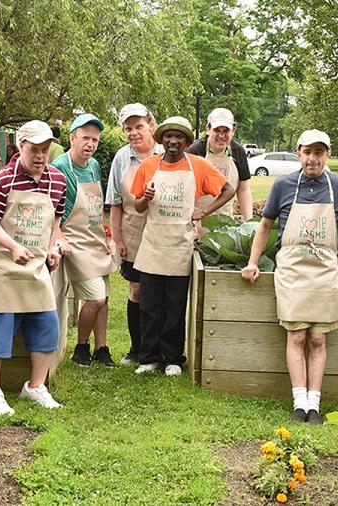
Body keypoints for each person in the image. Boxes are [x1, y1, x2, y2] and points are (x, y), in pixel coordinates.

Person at [241, 130, 338, 423]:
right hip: (292, 270)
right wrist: (253, 262)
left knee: (317, 338)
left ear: (327, 155)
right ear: (298, 153)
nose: (313, 159)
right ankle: (299, 402)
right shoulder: (283, 185)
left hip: (324, 272)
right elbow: (265, 226)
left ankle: (315, 404)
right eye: (307, 152)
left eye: (319, 153)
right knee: (297, 334)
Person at [0, 120, 67, 415]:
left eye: (45, 150)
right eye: (34, 150)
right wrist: (12, 245)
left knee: (47, 325)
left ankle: (35, 386)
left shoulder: (57, 181)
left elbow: (56, 223)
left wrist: (53, 246)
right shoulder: (1, 181)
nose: (40, 156)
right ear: (20, 147)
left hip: (36, 267)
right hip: (1, 266)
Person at [130, 116, 235, 375]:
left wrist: (204, 212)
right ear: (162, 139)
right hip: (153, 244)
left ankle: (173, 358)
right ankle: (148, 357)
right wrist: (145, 197)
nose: (173, 141)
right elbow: (138, 206)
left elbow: (229, 189)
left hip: (180, 244)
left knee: (175, 306)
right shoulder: (148, 166)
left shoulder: (198, 165)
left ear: (187, 141)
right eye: (168, 136)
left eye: (179, 137)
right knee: (150, 306)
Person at [51, 114, 116, 367]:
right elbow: (52, 208)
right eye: (85, 138)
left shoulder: (94, 166)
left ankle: (101, 348)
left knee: (105, 297)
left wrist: (107, 234)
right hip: (74, 241)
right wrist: (58, 237)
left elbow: (97, 206)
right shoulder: (60, 167)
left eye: (95, 140)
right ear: (72, 138)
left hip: (95, 238)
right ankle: (81, 347)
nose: (90, 144)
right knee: (95, 297)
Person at [106, 103, 164, 365]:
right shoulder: (121, 158)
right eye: (128, 128)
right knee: (137, 290)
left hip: (164, 233)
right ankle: (137, 348)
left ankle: (161, 349)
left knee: (160, 292)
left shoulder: (166, 153)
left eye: (139, 126)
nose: (134, 132)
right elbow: (116, 202)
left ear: (151, 125)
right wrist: (117, 238)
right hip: (133, 231)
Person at [186, 108, 253, 220]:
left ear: (233, 130)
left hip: (225, 221)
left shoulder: (238, 151)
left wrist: (249, 220)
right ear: (208, 129)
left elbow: (243, 189)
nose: (221, 136)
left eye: (226, 131)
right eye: (217, 130)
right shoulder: (195, 151)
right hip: (197, 221)